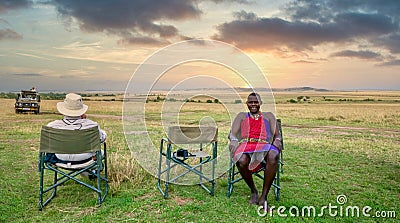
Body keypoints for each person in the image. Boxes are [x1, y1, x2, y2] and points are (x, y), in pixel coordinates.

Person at [229, 92, 282, 210]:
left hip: (263, 144)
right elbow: (232, 133)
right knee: (241, 160)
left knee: (273, 154)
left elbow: (277, 134)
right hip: (246, 144)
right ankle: (253, 191)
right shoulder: (241, 116)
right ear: (247, 103)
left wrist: (278, 140)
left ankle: (264, 197)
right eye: (250, 102)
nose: (253, 104)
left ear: (260, 103)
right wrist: (233, 140)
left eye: (256, 102)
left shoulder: (269, 116)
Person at [45, 93, 106, 165]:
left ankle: (88, 173)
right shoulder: (92, 126)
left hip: (60, 157)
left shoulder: (51, 126)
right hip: (86, 159)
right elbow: (102, 138)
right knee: (101, 152)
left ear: (63, 110)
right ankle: (90, 172)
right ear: (82, 110)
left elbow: (47, 144)